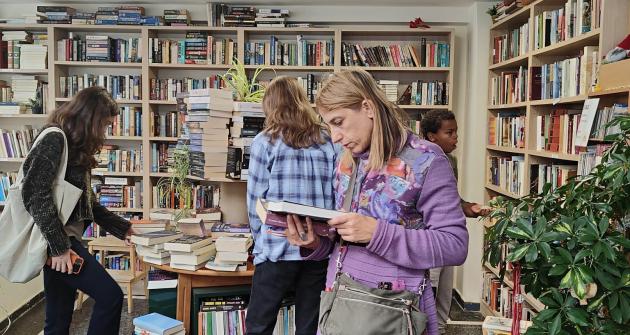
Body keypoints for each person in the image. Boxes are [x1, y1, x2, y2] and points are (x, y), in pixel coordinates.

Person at [285, 69, 469, 335]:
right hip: (341, 307)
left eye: (339, 121)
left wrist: (376, 233)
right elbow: (344, 243)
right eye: (329, 125)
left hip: (394, 311)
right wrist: (314, 243)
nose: (334, 136)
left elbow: (455, 246)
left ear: (368, 107)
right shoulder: (347, 160)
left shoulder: (426, 160)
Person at [21, 86, 134, 335]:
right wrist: (60, 249)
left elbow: (87, 203)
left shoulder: (75, 147)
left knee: (58, 321)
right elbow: (34, 194)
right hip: (59, 243)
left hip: (61, 241)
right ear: (90, 119)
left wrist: (124, 228)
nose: (104, 132)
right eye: (104, 124)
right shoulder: (54, 138)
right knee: (110, 297)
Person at [245, 76, 337, 335]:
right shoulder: (327, 139)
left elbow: (256, 202)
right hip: (318, 247)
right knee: (309, 325)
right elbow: (337, 192)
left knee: (259, 325)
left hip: (277, 245)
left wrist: (258, 240)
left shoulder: (264, 142)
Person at [421, 109, 491, 334]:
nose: (455, 137)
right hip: (429, 238)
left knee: (444, 293)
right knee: (429, 293)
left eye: (456, 132)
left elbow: (450, 199)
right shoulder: (422, 160)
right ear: (432, 137)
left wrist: (470, 208)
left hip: (448, 237)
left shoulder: (450, 160)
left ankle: (440, 330)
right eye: (449, 132)